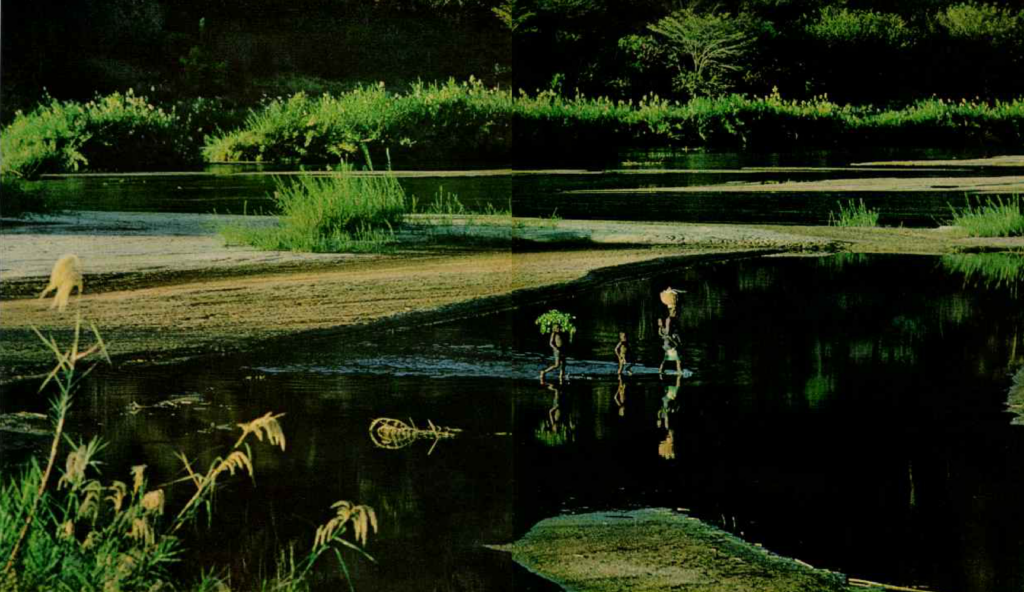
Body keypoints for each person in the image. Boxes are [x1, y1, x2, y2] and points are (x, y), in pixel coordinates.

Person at [658, 307, 683, 376]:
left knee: (666, 358)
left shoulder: (671, 319)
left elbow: (662, 332)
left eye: (675, 311)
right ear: (669, 312)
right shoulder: (668, 320)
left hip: (668, 342)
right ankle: (679, 372)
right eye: (673, 311)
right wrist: (675, 342)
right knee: (677, 359)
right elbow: (668, 333)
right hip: (670, 342)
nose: (675, 312)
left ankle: (660, 370)